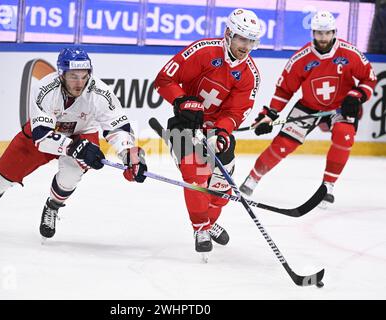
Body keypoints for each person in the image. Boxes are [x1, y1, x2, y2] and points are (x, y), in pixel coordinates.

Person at [0, 47, 148, 238]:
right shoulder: (45, 89)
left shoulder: (100, 92)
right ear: (61, 74)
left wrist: (129, 153)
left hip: (82, 133)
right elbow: (42, 136)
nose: (79, 83)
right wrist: (74, 148)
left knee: (71, 174)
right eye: (73, 76)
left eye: (84, 76)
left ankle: (53, 207)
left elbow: (117, 126)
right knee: (0, 178)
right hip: (43, 136)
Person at [239, 11, 377, 208]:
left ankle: (327, 187)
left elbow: (369, 79)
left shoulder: (349, 53)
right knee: (282, 145)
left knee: (344, 135)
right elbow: (284, 90)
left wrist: (356, 97)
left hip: (340, 107)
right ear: (313, 32)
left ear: (334, 32)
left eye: (327, 33)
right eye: (319, 33)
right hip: (309, 107)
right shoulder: (301, 58)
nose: (323, 37)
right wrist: (269, 115)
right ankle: (252, 178)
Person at [154, 8, 262, 254]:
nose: (246, 46)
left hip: (215, 129)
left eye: (251, 41)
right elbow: (164, 79)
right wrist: (182, 101)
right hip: (185, 124)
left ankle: (210, 220)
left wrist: (222, 133)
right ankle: (201, 226)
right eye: (242, 39)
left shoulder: (249, 75)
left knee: (223, 185)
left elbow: (235, 113)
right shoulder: (203, 51)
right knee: (196, 173)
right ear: (228, 34)